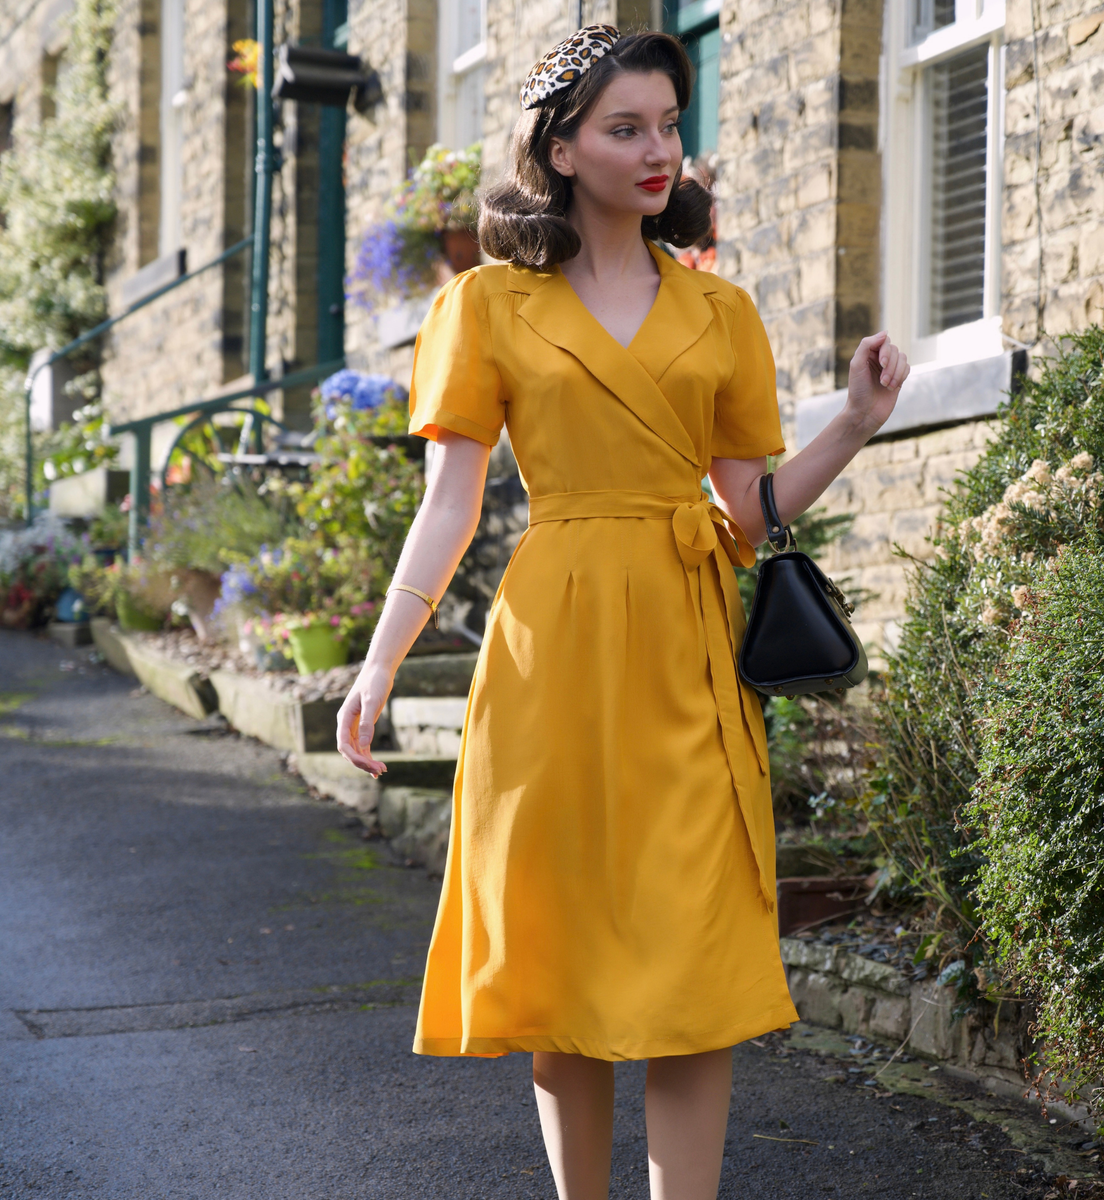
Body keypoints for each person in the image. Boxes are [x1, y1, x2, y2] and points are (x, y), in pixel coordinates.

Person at [337, 25, 910, 1200]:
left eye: (668, 127)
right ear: (560, 149)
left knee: (695, 952)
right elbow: (450, 507)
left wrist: (852, 425)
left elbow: (751, 515)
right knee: (564, 945)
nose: (660, 153)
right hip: (553, 651)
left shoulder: (723, 314)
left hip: (692, 649)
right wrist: (380, 662)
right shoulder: (487, 304)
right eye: (626, 129)